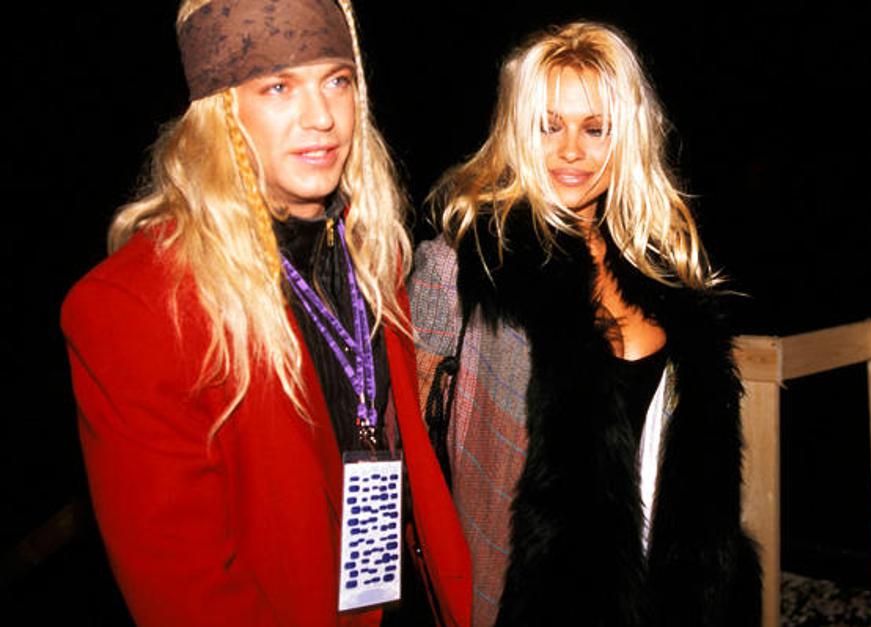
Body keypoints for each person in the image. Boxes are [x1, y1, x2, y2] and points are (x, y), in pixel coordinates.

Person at [61, 1, 470, 625]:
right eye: (279, 87)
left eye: (337, 81)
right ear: (221, 113)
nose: (322, 117)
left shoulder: (372, 252)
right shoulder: (135, 306)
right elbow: (186, 593)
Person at [409, 21, 760, 626]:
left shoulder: (659, 269)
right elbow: (408, 460)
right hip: (516, 602)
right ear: (517, 133)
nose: (571, 150)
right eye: (549, 126)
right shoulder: (461, 267)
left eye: (595, 129)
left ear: (626, 138)